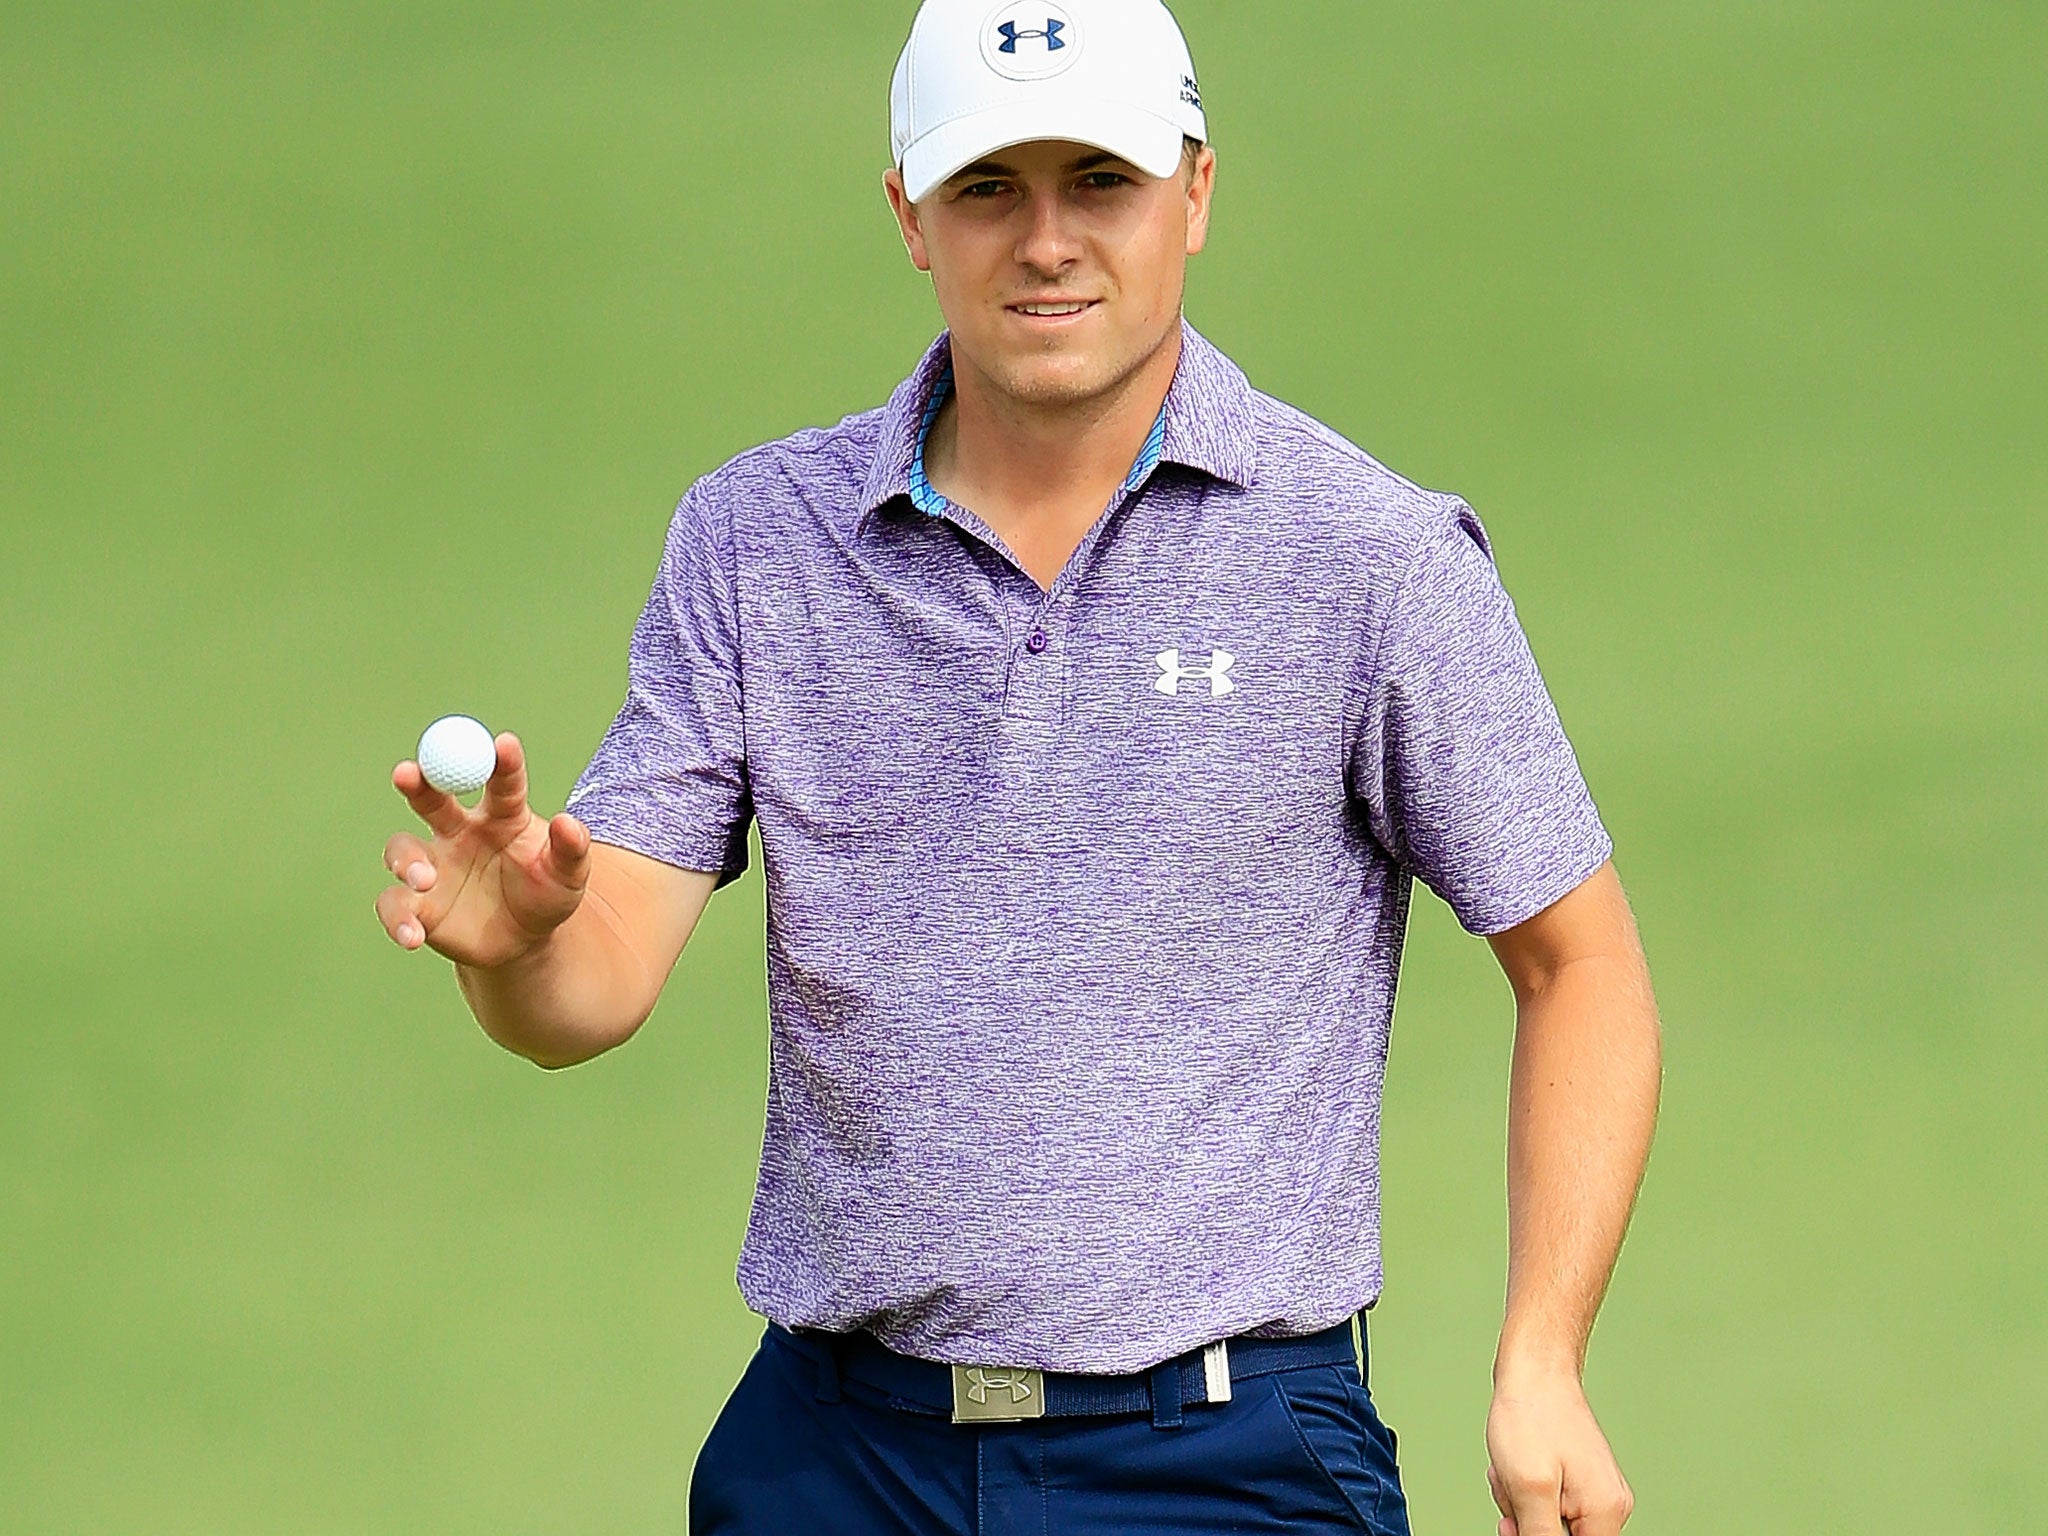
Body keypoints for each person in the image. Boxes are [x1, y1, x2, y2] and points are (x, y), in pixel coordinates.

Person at [373, 0, 1662, 1531]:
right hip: (834, 1456)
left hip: (1223, 1461)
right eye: (990, 188)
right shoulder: (756, 542)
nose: (1047, 240)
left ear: (1195, 193)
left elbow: (1580, 964)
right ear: (910, 214)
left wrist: (1543, 1358)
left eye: (1099, 182)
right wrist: (512, 950)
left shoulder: (1367, 558)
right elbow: (590, 988)